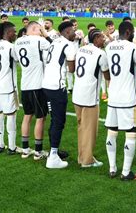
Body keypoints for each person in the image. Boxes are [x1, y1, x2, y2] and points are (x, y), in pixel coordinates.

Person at [105, 21, 136, 181]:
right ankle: (126, 172)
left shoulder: (109, 46)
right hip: (128, 98)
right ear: (128, 32)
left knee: (112, 132)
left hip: (113, 96)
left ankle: (112, 168)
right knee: (131, 132)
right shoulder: (133, 47)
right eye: (132, 31)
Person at [72, 29, 110, 168]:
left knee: (82, 128)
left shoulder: (81, 49)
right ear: (95, 39)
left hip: (77, 94)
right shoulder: (101, 53)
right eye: (101, 37)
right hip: (89, 97)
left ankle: (81, 156)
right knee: (89, 130)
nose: (104, 39)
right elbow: (107, 76)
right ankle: (87, 160)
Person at [14, 21, 51, 160]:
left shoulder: (18, 42)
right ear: (35, 29)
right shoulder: (39, 40)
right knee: (40, 118)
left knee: (27, 115)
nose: (41, 32)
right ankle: (38, 151)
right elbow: (53, 45)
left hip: (25, 84)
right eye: (39, 29)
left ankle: (25, 149)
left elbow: (17, 59)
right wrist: (44, 33)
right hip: (37, 85)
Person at [42, 21, 76, 169]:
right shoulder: (68, 45)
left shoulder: (55, 42)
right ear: (67, 31)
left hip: (46, 85)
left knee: (54, 120)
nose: (76, 33)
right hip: (57, 87)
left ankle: (53, 151)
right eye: (73, 30)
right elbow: (72, 69)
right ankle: (53, 157)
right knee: (58, 121)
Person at [0, 22, 22, 155]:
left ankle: (0, 144)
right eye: (13, 31)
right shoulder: (11, 47)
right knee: (11, 115)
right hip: (9, 86)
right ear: (7, 32)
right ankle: (11, 146)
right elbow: (20, 62)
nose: (15, 34)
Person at [66, 19, 84, 93]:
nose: (74, 26)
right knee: (68, 71)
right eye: (73, 25)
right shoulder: (67, 31)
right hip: (68, 54)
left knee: (76, 72)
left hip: (76, 54)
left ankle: (77, 87)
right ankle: (70, 87)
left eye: (76, 25)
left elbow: (79, 37)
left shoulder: (79, 31)